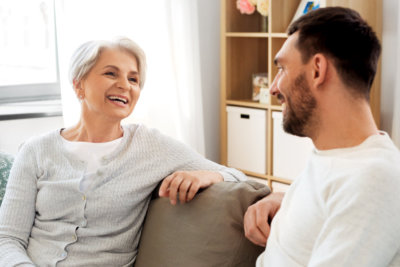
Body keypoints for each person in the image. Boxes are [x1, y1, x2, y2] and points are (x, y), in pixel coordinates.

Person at [0, 37, 246, 266]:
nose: (124, 86)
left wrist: (208, 175)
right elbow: (8, 238)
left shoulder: (151, 146)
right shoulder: (36, 150)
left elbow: (240, 178)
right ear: (79, 84)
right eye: (111, 73)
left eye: (133, 79)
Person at [244, 7, 400, 266]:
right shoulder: (336, 157)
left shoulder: (375, 179)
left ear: (317, 70)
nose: (273, 87)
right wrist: (281, 200)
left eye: (282, 69)